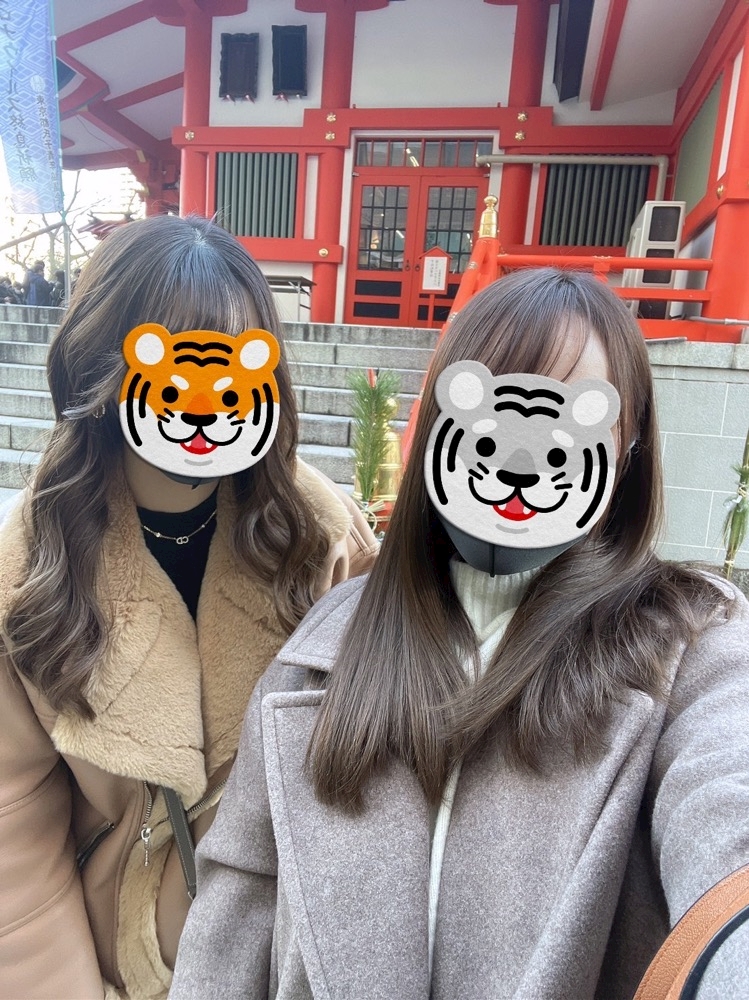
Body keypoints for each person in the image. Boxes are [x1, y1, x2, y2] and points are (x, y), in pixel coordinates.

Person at [169, 268, 749, 1000]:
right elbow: (236, 907)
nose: (518, 462)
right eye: (493, 416)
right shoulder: (327, 643)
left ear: (626, 442)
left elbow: (725, 805)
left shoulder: (691, 642)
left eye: (570, 419)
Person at [0, 214, 378, 1000]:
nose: (206, 405)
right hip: (111, 960)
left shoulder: (322, 537)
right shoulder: (28, 569)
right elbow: (13, 835)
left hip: (284, 958)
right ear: (107, 369)